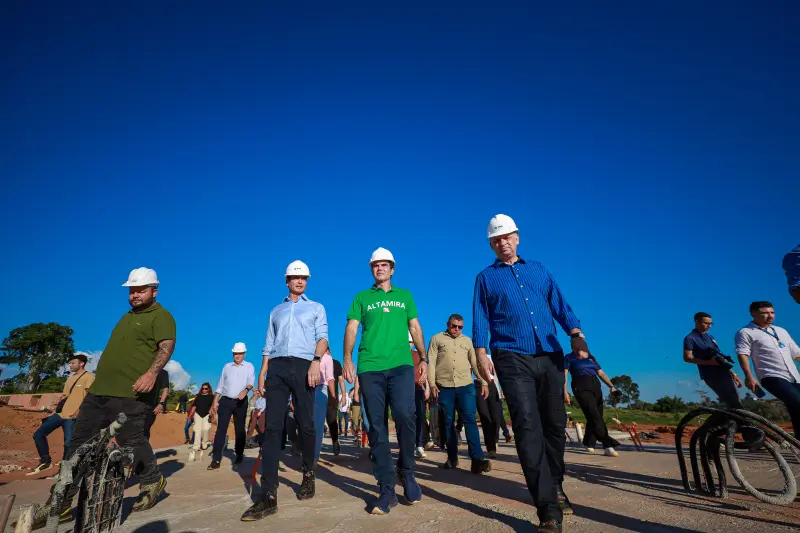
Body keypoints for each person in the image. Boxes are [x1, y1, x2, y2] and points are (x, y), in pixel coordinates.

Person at [31, 267, 176, 528]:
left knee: (131, 441)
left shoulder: (161, 316)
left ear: (154, 291)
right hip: (99, 392)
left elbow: (166, 346)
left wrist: (152, 373)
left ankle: (152, 481)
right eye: (131, 290)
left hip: (132, 392)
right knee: (77, 447)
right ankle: (60, 504)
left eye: (140, 290)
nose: (134, 295)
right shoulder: (127, 316)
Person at [473, 214, 587, 533]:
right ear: (491, 245)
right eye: (496, 240)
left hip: (549, 354)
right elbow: (480, 316)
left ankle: (555, 482)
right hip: (510, 355)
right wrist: (480, 353)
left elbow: (560, 305)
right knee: (526, 425)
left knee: (555, 424)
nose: (502, 243)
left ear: (517, 237)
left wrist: (576, 333)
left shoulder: (539, 269)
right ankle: (547, 507)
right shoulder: (485, 278)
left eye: (506, 237)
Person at [241, 260, 328, 521]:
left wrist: (315, 362)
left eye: (304, 278)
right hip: (277, 367)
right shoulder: (276, 311)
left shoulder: (316, 307)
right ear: (287, 280)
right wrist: (262, 371)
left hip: (304, 365)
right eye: (295, 277)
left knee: (306, 424)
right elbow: (269, 343)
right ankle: (268, 495)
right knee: (273, 428)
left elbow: (322, 337)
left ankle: (308, 473)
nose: (300, 281)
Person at [343, 247, 427, 515]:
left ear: (392, 269)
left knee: (405, 416)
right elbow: (352, 327)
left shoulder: (405, 296)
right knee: (376, 427)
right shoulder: (362, 297)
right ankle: (386, 489)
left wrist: (423, 357)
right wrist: (347, 359)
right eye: (375, 265)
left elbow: (415, 326)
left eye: (384, 264)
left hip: (401, 366)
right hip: (370, 367)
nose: (379, 268)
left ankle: (408, 472)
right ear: (372, 269)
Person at [428, 315, 492, 473]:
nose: (456, 329)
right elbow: (431, 362)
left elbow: (475, 362)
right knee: (448, 422)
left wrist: (483, 382)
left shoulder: (467, 341)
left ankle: (477, 460)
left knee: (470, 420)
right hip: (444, 387)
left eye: (460, 327)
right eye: (453, 326)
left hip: (465, 386)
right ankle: (452, 458)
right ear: (447, 324)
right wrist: (432, 384)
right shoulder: (436, 339)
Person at [735, 301, 800, 438]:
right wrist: (749, 376)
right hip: (771, 376)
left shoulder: (781, 331)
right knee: (797, 402)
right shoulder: (745, 332)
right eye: (765, 313)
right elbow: (742, 354)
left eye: (772, 312)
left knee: (795, 407)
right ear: (753, 314)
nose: (770, 316)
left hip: (794, 376)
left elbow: (796, 353)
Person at [29, 354, 95, 475]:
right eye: (70, 363)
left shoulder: (89, 377)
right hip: (60, 414)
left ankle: (63, 471)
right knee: (38, 435)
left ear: (82, 363)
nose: (70, 365)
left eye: (73, 363)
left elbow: (89, 396)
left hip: (72, 417)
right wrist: (55, 409)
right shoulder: (70, 379)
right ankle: (46, 461)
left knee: (68, 443)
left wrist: (79, 411)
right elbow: (65, 396)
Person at [563, 352, 620, 456]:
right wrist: (564, 391)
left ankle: (588, 442)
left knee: (596, 415)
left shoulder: (590, 357)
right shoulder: (569, 357)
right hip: (579, 384)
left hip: (595, 384)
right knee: (594, 415)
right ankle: (608, 445)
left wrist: (612, 386)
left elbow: (601, 373)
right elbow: (564, 375)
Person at [209, 342, 255, 470]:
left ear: (244, 354)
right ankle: (216, 459)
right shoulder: (227, 366)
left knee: (239, 429)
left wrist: (245, 390)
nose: (237, 356)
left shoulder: (249, 366)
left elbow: (251, 381)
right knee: (221, 429)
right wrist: (215, 401)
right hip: (225, 401)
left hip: (241, 402)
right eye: (235, 353)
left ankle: (239, 454)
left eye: (240, 353)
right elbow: (220, 385)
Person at [474, 353, 510, 459]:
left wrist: (501, 389)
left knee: (496, 417)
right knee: (484, 416)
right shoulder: (472, 355)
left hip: (492, 384)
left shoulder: (491, 355)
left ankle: (495, 440)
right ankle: (491, 448)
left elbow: (499, 373)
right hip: (478, 385)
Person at [410, 331, 431, 458]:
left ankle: (419, 445)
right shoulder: (398, 355)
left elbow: (425, 373)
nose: (409, 343)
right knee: (406, 418)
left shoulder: (418, 355)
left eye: (411, 341)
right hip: (403, 391)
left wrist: (427, 387)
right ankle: (408, 445)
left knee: (420, 417)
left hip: (418, 389)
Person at [313, 349, 337, 461]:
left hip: (318, 389)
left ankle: (313, 457)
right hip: (312, 390)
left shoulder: (327, 358)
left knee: (316, 425)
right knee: (314, 425)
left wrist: (333, 396)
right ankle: (312, 457)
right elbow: (330, 378)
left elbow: (330, 378)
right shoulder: (309, 354)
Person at [325, 356, 346, 454]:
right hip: (318, 397)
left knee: (332, 421)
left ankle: (335, 441)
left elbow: (341, 380)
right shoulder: (316, 361)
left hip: (332, 398)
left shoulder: (336, 363)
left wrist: (344, 395)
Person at [188, 383, 214, 459]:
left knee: (206, 429)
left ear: (209, 389)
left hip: (207, 415)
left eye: (206, 388)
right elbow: (194, 407)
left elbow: (213, 406)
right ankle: (196, 446)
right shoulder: (198, 397)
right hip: (197, 414)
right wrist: (190, 416)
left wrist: (212, 414)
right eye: (203, 388)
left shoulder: (212, 397)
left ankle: (204, 444)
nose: (204, 390)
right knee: (197, 430)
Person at [143, 369, 170, 440]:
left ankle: (144, 446)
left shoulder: (163, 372)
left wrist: (161, 404)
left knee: (145, 430)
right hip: (133, 403)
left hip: (150, 406)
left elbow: (165, 389)